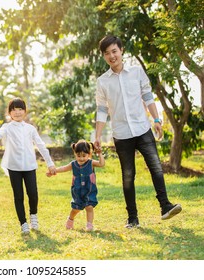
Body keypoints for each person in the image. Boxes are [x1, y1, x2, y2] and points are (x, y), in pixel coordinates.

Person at [94, 35, 182, 228]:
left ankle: (165, 206)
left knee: (156, 167)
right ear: (104, 56)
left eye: (114, 51)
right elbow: (102, 110)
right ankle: (132, 218)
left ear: (121, 50)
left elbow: (148, 96)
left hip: (143, 129)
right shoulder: (103, 82)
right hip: (122, 134)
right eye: (107, 53)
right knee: (128, 175)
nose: (112, 56)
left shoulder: (136, 71)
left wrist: (156, 119)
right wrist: (98, 136)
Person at [0, 98, 56, 234]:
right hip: (14, 167)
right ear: (9, 112)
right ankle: (23, 223)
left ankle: (33, 216)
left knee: (33, 194)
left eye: (20, 109)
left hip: (29, 166)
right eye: (14, 110)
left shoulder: (30, 128)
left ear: (25, 112)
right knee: (18, 196)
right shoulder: (7, 127)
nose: (17, 112)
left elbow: (41, 145)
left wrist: (50, 163)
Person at [47, 140, 105, 231]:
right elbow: (63, 168)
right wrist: (53, 171)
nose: (81, 158)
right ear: (75, 154)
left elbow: (101, 164)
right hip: (77, 191)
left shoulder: (91, 163)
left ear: (89, 154)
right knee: (76, 208)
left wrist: (100, 154)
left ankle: (89, 225)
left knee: (89, 206)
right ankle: (70, 219)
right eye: (78, 156)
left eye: (84, 156)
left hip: (89, 190)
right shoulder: (73, 164)